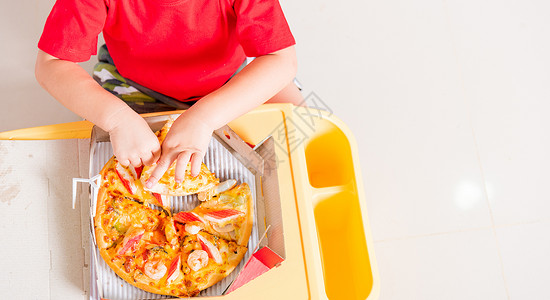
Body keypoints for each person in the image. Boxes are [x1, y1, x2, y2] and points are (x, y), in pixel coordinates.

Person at [35, 0, 302, 188]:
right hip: (133, 84)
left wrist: (203, 118)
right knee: (102, 170)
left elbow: (281, 60)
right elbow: (50, 65)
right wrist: (117, 120)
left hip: (227, 81)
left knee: (306, 128)